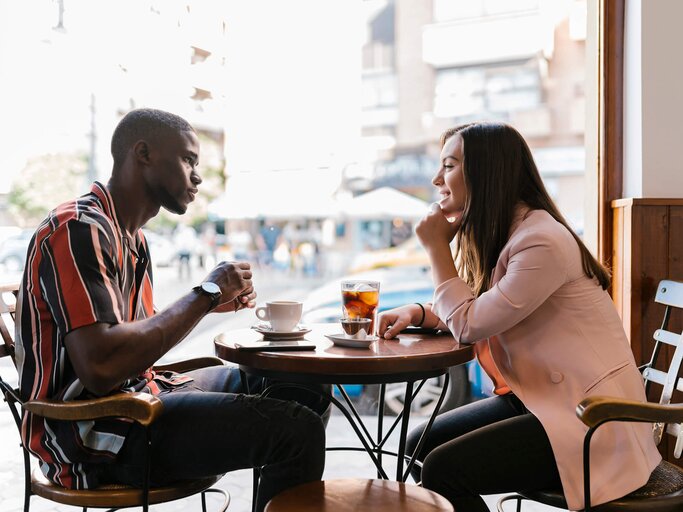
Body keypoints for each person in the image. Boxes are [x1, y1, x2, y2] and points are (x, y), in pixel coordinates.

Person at [15, 108, 328, 512]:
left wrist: (208, 306)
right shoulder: (79, 228)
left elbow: (134, 333)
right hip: (92, 434)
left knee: (303, 387)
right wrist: (207, 292)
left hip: (138, 398)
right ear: (143, 153)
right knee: (295, 429)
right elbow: (102, 365)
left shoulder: (133, 239)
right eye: (188, 160)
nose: (197, 176)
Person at [378, 122, 660, 511]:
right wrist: (419, 313)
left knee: (443, 469)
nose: (436, 178)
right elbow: (488, 309)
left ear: (486, 172)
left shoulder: (541, 241)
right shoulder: (514, 232)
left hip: (592, 419)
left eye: (449, 165)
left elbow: (470, 325)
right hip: (545, 400)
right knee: (417, 448)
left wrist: (436, 249)